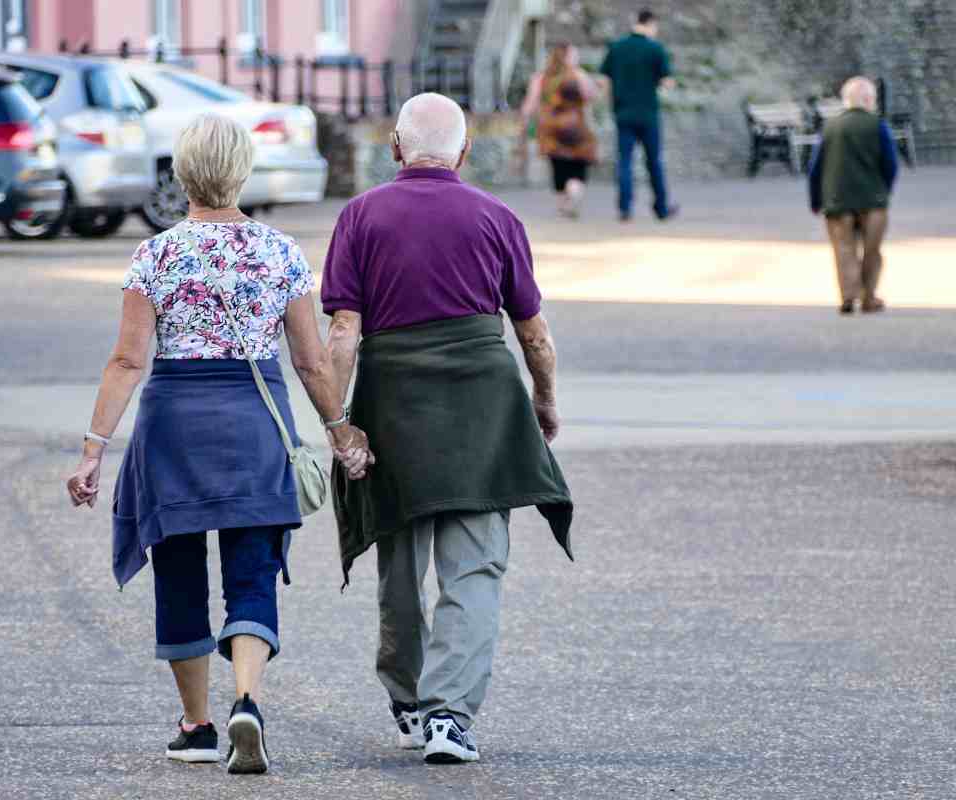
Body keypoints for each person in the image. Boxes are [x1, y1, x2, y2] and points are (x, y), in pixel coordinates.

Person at [65, 113, 372, 776]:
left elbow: (126, 360)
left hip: (173, 431)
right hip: (254, 428)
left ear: (182, 174)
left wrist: (93, 447)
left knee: (179, 574)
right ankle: (249, 703)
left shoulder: (157, 254)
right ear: (241, 172)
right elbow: (313, 363)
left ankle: (197, 725)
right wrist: (340, 432)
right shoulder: (282, 253)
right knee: (252, 575)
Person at [321, 93, 574, 765]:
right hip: (482, 407)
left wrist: (338, 421)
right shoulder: (497, 216)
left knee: (398, 561)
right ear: (464, 153)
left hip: (393, 401)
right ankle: (449, 719)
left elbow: (343, 333)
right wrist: (543, 402)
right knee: (475, 566)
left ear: (396, 150)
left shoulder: (360, 216)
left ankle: (408, 700)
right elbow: (534, 335)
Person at [808, 76, 899, 315]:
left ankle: (848, 296)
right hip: (873, 201)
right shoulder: (877, 125)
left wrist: (815, 200)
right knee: (872, 250)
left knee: (844, 249)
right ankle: (868, 297)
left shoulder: (830, 127)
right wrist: (884, 191)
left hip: (837, 201)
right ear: (869, 99)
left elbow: (815, 168)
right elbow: (890, 164)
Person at [599, 8, 678, 221]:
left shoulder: (616, 47)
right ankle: (661, 208)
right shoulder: (655, 49)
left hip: (623, 113)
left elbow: (603, 81)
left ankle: (625, 208)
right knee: (654, 161)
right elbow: (668, 81)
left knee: (624, 162)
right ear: (651, 24)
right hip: (648, 115)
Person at [521, 42, 600, 218]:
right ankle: (574, 190)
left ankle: (562, 203)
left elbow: (530, 103)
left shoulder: (541, 77)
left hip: (551, 127)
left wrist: (525, 121)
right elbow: (591, 95)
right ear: (569, 57)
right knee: (578, 165)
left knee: (558, 165)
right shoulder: (579, 75)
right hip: (576, 125)